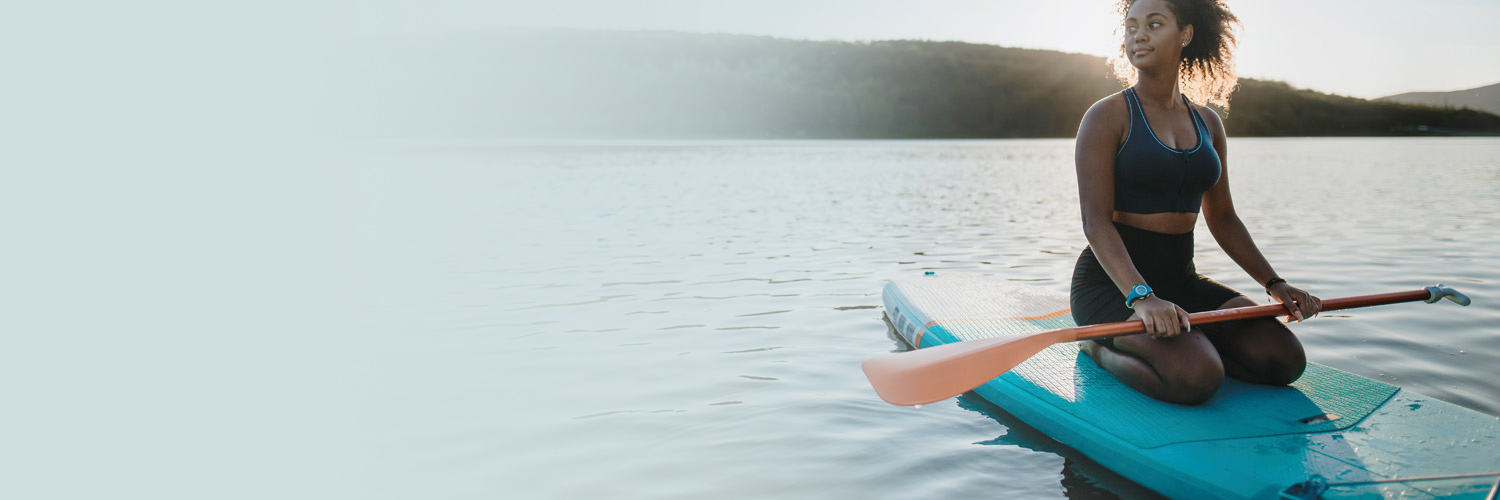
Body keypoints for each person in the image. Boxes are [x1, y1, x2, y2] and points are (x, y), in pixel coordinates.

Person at [1070, 0, 1322, 405]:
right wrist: (1142, 297)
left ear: (1185, 34)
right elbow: (1094, 222)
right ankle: (1098, 348)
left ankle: (1197, 343)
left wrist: (1274, 284)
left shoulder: (1208, 122)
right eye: (1131, 25)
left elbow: (1222, 218)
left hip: (1181, 281)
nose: (1138, 34)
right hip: (1113, 286)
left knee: (1285, 360)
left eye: (1154, 24)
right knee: (1196, 378)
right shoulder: (1106, 116)